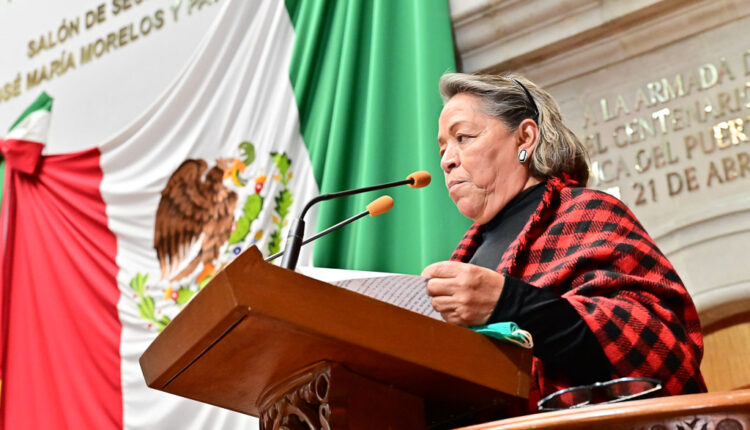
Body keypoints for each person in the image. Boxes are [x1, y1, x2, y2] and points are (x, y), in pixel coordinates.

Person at [422, 73, 706, 410]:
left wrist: (510, 302)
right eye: (443, 148)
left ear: (525, 138)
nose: (447, 160)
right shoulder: (464, 255)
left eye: (463, 138)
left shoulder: (588, 212)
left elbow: (664, 348)